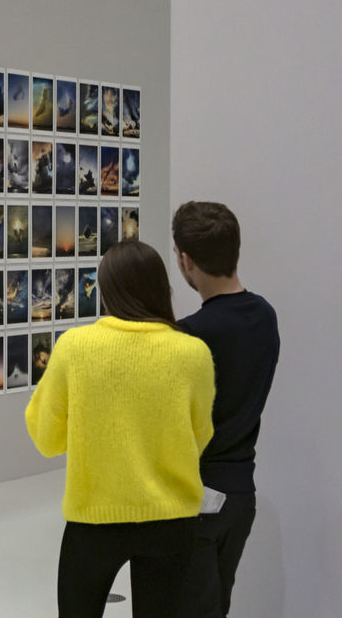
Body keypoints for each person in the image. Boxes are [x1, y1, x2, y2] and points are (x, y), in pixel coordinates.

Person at [25, 239, 216, 618]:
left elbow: (47, 439)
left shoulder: (75, 347)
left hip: (93, 520)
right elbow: (200, 436)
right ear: (162, 288)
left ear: (106, 289)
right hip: (171, 519)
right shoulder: (193, 352)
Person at [172, 202, 280, 617]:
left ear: (186, 260)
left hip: (196, 496)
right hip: (240, 494)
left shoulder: (190, 336)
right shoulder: (265, 316)